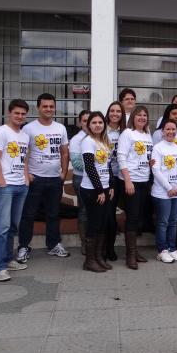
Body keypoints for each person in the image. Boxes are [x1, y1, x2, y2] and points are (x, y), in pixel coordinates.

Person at [17, 93, 70, 263]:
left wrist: (63, 172)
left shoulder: (60, 128)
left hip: (55, 179)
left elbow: (64, 151)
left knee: (53, 214)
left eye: (51, 106)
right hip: (35, 179)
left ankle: (53, 244)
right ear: (38, 108)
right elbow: (23, 153)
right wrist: (27, 174)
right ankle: (24, 246)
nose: (48, 109)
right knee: (28, 214)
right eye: (45, 106)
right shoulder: (29, 128)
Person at [0, 99, 31, 282]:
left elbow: (25, 159)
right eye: (17, 113)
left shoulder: (24, 135)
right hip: (3, 187)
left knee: (13, 226)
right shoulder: (0, 132)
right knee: (2, 227)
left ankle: (8, 259)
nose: (20, 116)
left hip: (20, 185)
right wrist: (2, 182)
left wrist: (26, 180)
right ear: (9, 113)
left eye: (23, 114)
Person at [153, 104, 177, 251]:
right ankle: (162, 249)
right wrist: (169, 188)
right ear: (163, 131)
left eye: (173, 129)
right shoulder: (158, 143)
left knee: (175, 220)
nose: (171, 131)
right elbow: (156, 168)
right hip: (164, 189)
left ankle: (173, 247)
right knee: (163, 221)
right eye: (168, 129)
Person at [117, 106, 153, 268]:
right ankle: (130, 255)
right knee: (132, 217)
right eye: (139, 115)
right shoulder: (127, 133)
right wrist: (127, 180)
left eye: (145, 115)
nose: (142, 117)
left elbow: (147, 156)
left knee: (138, 217)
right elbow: (121, 156)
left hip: (144, 180)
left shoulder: (147, 134)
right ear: (133, 117)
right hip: (131, 181)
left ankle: (134, 250)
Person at [79, 111, 114, 272]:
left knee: (102, 223)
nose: (98, 125)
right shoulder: (88, 142)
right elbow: (90, 167)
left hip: (105, 188)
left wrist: (111, 186)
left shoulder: (104, 141)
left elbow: (107, 166)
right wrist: (100, 190)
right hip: (92, 190)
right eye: (94, 123)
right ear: (89, 125)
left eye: (100, 122)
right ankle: (89, 261)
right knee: (94, 224)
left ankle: (98, 257)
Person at [104, 101, 126, 261]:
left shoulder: (126, 131)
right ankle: (108, 248)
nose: (115, 114)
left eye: (118, 111)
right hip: (108, 178)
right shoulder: (102, 129)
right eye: (112, 111)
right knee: (109, 214)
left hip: (124, 177)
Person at [69, 110, 90, 253]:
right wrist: (95, 167)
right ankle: (85, 243)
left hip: (97, 180)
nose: (88, 123)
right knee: (84, 210)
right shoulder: (77, 139)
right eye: (84, 121)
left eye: (91, 120)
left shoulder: (99, 137)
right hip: (81, 178)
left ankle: (94, 241)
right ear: (79, 123)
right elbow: (76, 163)